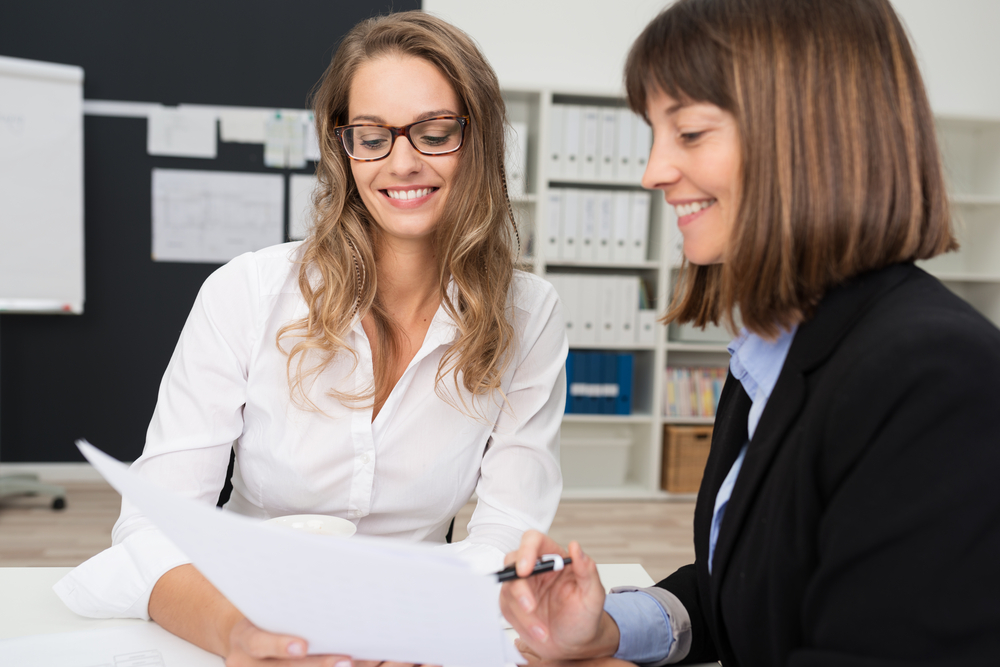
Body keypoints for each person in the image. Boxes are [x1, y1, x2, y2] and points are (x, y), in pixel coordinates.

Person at [55, 11, 567, 664]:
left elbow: (507, 530)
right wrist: (238, 636)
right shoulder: (246, 291)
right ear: (342, 147)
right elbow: (153, 523)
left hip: (420, 623)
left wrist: (419, 625)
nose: (402, 161)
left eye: (435, 132)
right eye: (372, 136)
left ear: (482, 137)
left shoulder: (530, 313)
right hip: (241, 613)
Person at [500, 0, 1000, 665]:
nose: (653, 171)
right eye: (655, 134)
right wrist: (608, 628)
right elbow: (745, 592)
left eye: (690, 133)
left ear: (811, 134)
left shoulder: (935, 375)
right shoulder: (774, 351)